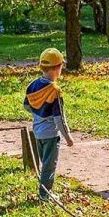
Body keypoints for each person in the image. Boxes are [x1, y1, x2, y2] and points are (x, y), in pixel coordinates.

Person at [23, 48, 74, 200]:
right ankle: (45, 195)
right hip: (51, 134)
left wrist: (40, 114)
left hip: (38, 132)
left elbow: (26, 106)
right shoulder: (55, 91)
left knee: (44, 163)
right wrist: (68, 137)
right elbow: (59, 119)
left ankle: (44, 192)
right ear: (57, 68)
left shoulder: (32, 85)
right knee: (49, 166)